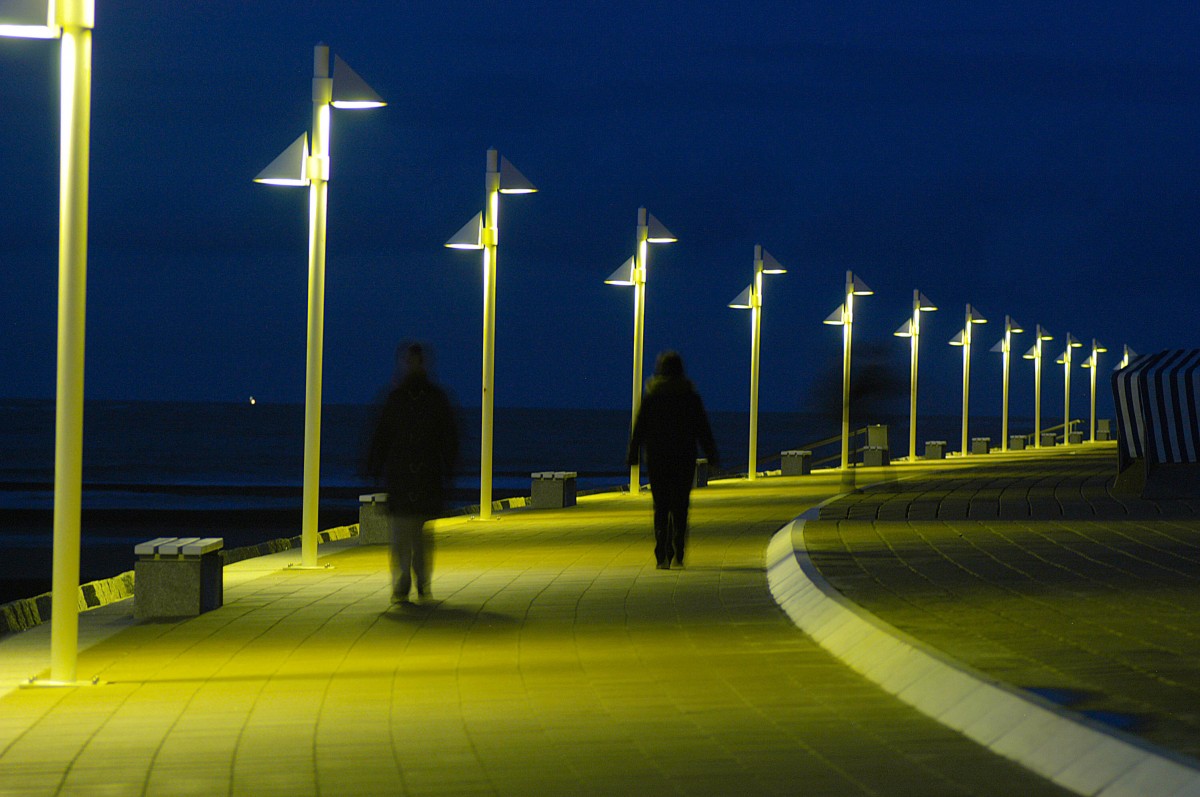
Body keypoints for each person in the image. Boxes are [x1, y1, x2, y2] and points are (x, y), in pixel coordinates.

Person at [366, 343, 458, 604]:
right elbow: (381, 436)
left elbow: (448, 437)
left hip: (424, 477)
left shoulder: (433, 398)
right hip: (403, 477)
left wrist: (448, 469)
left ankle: (420, 581)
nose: (412, 365)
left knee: (418, 535)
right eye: (408, 361)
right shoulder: (397, 398)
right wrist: (374, 466)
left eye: (415, 361)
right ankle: (404, 580)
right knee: (402, 534)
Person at [626, 351, 718, 569]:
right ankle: (679, 550)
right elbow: (702, 428)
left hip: (658, 459)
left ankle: (661, 554)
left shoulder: (652, 396)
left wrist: (633, 454)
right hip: (684, 459)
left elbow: (639, 428)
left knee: (661, 506)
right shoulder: (690, 397)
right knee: (680, 505)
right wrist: (712, 455)